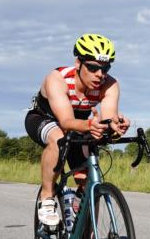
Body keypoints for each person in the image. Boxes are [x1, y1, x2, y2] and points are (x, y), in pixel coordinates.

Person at [25, 34, 130, 227]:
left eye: (105, 68)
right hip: (45, 118)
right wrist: (91, 125)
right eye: (93, 67)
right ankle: (47, 197)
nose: (100, 74)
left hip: (80, 125)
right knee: (59, 138)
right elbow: (65, 121)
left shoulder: (110, 85)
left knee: (90, 180)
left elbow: (107, 119)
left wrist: (114, 127)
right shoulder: (58, 79)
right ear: (78, 63)